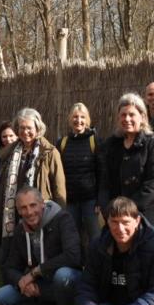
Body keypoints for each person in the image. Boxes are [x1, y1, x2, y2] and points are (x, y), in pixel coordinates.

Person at [0, 187, 83, 305]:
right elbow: (10, 267)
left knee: (63, 275)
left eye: (33, 205)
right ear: (18, 211)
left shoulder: (63, 219)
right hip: (39, 284)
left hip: (66, 282)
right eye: (23, 208)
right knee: (0, 298)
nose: (29, 212)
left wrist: (35, 272)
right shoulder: (21, 230)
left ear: (42, 204)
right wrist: (21, 282)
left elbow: (73, 256)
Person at [0, 108, 67, 262]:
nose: (25, 131)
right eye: (21, 128)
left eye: (29, 128)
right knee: (10, 258)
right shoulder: (9, 153)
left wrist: (60, 218)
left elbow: (59, 188)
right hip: (13, 214)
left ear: (37, 128)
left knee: (38, 255)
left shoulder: (49, 153)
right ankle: (14, 283)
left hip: (38, 213)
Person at [98, 93, 154, 235]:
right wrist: (107, 210)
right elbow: (104, 182)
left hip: (149, 219)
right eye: (123, 115)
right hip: (117, 220)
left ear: (142, 117)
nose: (127, 119)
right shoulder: (111, 145)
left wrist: (126, 211)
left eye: (132, 114)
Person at [56, 102, 102, 244]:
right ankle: (76, 265)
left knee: (96, 238)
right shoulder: (62, 143)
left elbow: (102, 172)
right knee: (72, 238)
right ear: (70, 119)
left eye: (82, 117)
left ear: (87, 120)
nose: (78, 121)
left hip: (91, 201)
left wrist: (100, 200)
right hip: (69, 201)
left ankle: (96, 266)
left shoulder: (95, 141)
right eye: (75, 117)